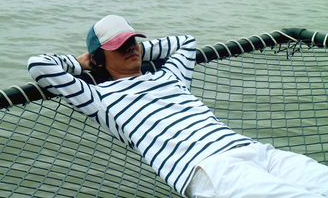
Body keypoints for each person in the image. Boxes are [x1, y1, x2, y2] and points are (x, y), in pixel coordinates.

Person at [28, 15, 328, 198]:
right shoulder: (99, 99)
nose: (131, 47)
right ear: (99, 58)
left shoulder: (171, 77)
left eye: (133, 41)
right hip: (210, 168)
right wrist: (81, 63)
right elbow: (40, 65)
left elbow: (186, 41)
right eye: (119, 46)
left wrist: (143, 49)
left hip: (260, 152)